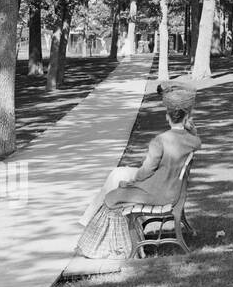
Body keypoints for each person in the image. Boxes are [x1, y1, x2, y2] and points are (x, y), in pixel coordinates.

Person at [75, 84, 201, 259]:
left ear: (167, 117)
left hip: (158, 193)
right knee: (117, 187)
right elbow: (196, 140)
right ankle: (127, 243)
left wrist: (131, 184)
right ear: (186, 117)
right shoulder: (193, 141)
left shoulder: (160, 141)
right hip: (171, 190)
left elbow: (146, 172)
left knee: (113, 197)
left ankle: (122, 248)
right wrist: (191, 129)